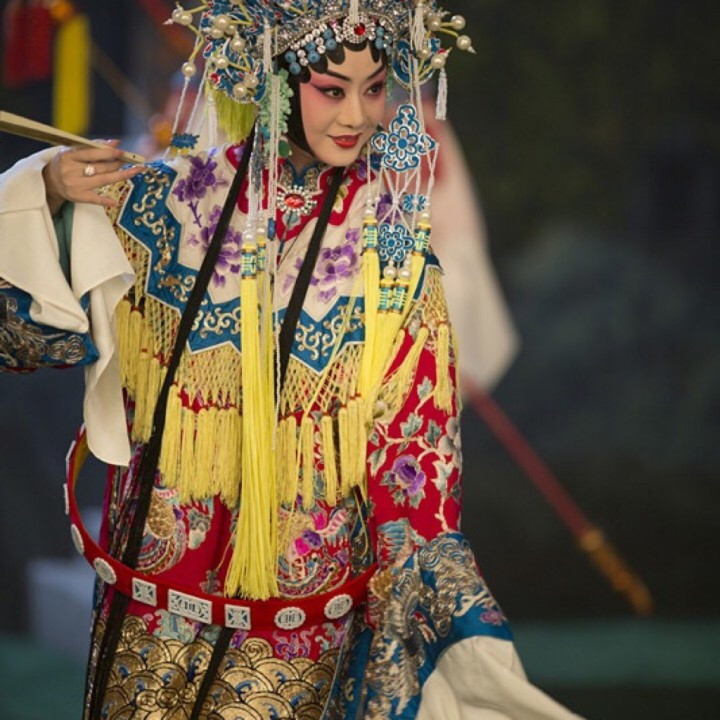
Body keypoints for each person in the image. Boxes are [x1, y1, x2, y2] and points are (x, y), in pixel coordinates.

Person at [0, 2, 582, 718]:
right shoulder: (163, 205)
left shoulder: (395, 255)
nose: (358, 115)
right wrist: (46, 192)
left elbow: (414, 450)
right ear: (272, 80)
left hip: (300, 608)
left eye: (375, 89)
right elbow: (27, 337)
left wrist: (436, 599)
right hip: (153, 583)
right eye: (333, 89)